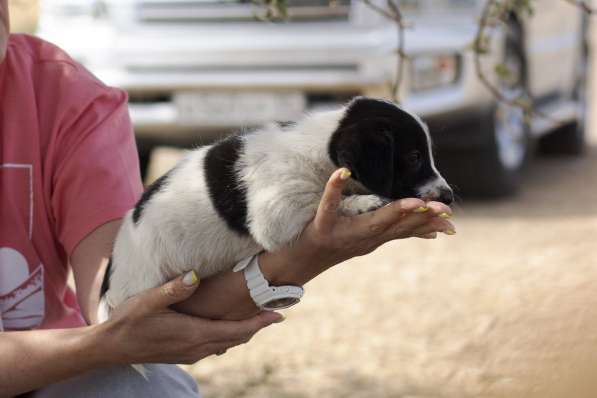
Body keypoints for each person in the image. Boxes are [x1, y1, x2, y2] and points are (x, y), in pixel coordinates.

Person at [0, 1, 456, 396]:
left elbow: (125, 313)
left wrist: (310, 252)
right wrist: (99, 345)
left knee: (149, 388)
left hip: (52, 376)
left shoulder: (65, 99)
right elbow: (112, 336)